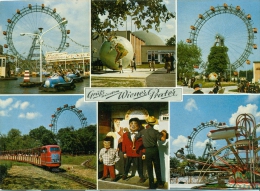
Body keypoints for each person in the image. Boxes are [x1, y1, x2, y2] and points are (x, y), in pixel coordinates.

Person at [134, 116, 168, 189]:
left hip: (147, 151)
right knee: (157, 167)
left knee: (149, 168)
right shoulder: (155, 132)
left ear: (147, 123)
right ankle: (160, 183)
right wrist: (164, 133)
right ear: (153, 124)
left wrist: (134, 146)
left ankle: (151, 185)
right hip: (155, 150)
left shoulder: (142, 131)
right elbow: (163, 139)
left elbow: (135, 138)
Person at [121, 118, 145, 183]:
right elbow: (124, 144)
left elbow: (144, 145)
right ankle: (125, 174)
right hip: (128, 153)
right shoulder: (125, 134)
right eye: (131, 123)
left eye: (135, 123)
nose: (133, 125)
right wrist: (124, 152)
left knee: (139, 166)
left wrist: (143, 153)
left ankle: (141, 177)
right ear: (129, 125)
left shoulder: (142, 134)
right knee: (127, 165)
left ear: (139, 126)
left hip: (138, 153)